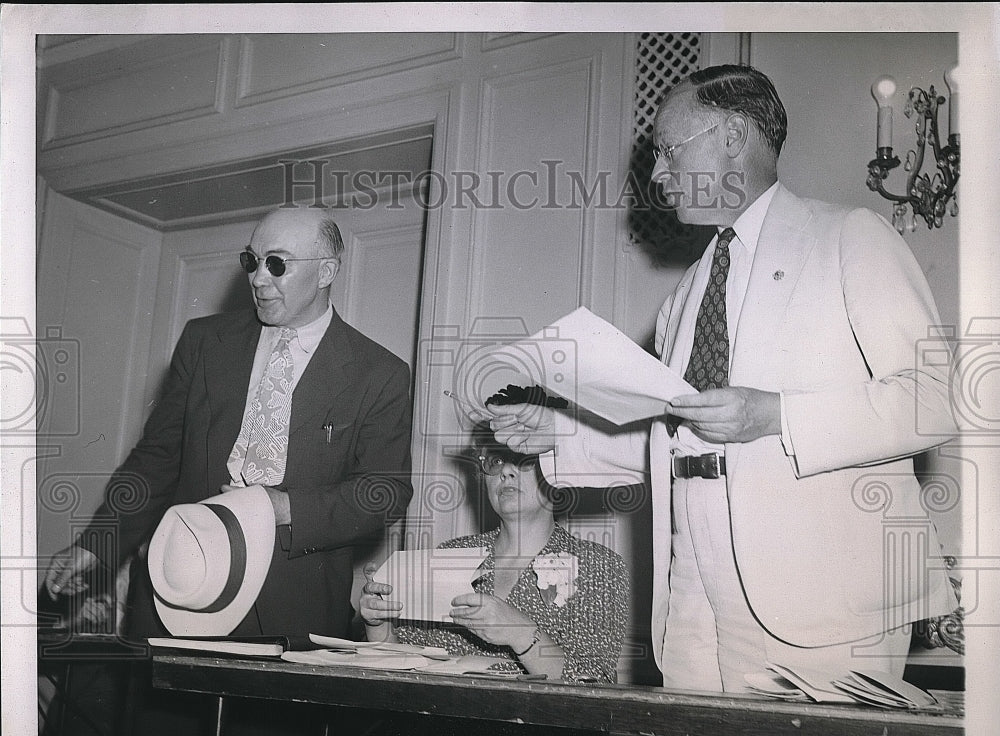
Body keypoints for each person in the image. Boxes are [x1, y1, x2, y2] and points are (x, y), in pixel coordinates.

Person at [487, 65, 958, 693]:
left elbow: (936, 398)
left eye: (667, 152)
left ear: (732, 135)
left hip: (823, 595)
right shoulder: (687, 292)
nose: (656, 174)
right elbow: (683, 437)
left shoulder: (848, 236)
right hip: (691, 591)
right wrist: (558, 436)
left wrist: (775, 415)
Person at [43, 206, 413, 641]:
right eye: (251, 261)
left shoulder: (379, 372)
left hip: (292, 612)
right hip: (177, 589)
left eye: (276, 264)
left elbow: (383, 494)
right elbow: (156, 459)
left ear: (326, 270)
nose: (258, 278)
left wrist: (282, 508)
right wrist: (98, 544)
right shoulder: (202, 343)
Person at [360, 412, 629, 685]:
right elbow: (404, 665)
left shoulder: (597, 566)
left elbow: (596, 683)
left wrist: (520, 632)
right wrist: (379, 625)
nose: (506, 471)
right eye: (496, 460)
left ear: (558, 472)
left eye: (525, 458)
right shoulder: (449, 555)